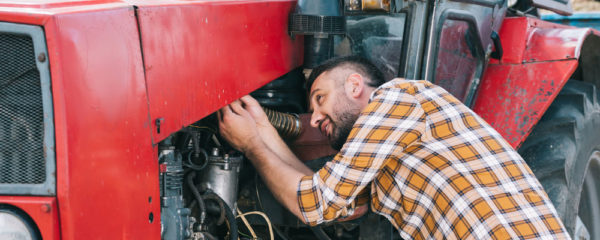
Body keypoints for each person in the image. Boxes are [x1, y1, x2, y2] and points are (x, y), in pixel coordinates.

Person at [217, 56, 570, 239]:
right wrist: (263, 130)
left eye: (320, 99)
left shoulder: (398, 98)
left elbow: (315, 203)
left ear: (355, 85)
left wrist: (253, 144)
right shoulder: (388, 160)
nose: (316, 118)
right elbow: (327, 201)